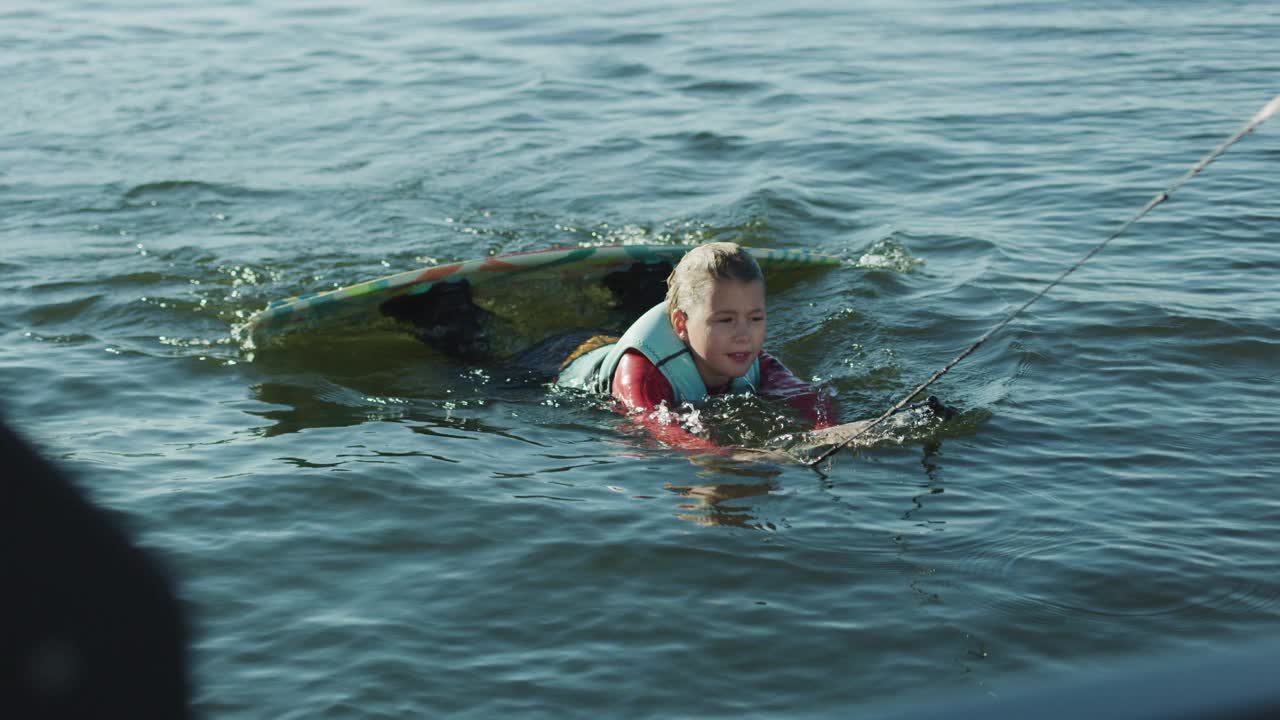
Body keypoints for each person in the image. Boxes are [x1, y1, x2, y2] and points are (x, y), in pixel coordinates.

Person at [556, 242, 834, 449]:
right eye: (725, 320)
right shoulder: (640, 371)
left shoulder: (754, 359)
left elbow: (807, 398)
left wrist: (828, 433)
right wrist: (731, 457)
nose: (744, 335)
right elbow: (652, 428)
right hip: (560, 356)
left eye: (755, 318)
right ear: (680, 325)